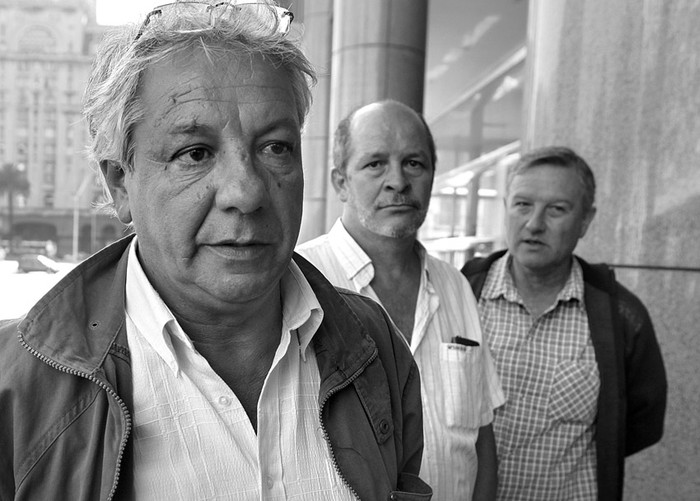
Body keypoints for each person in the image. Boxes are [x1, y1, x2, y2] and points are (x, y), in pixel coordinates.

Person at [0, 3, 432, 500]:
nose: (246, 192)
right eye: (195, 153)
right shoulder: (22, 385)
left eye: (276, 147)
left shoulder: (375, 347)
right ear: (120, 182)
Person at [297, 100, 505, 501]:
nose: (398, 181)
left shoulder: (454, 285)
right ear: (340, 181)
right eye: (375, 163)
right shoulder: (301, 284)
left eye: (414, 163)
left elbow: (481, 434)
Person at [461, 146, 667, 500]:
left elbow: (639, 423)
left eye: (556, 209)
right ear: (506, 206)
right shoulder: (460, 292)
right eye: (522, 204)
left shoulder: (621, 317)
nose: (534, 224)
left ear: (585, 220)